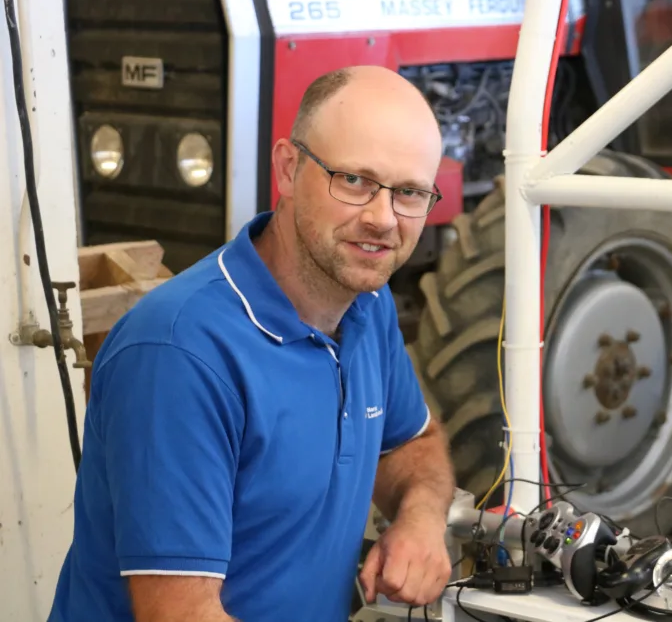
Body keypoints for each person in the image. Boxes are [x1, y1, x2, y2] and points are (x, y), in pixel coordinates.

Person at [47, 66, 457, 622]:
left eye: (409, 192)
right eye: (354, 181)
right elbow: (181, 616)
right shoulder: (178, 356)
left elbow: (411, 442)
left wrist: (420, 520)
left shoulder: (367, 303)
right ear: (288, 168)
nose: (383, 219)